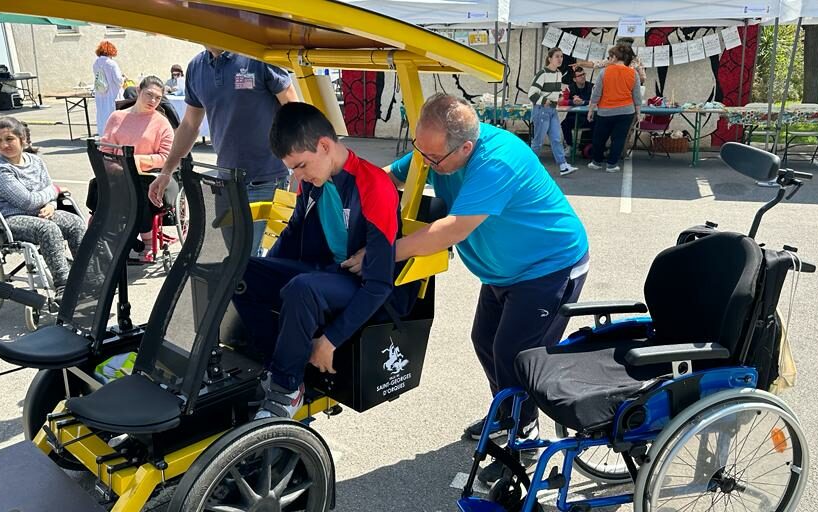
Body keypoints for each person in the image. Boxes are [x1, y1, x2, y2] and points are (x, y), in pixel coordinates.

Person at [354, 93, 589, 485]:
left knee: (515, 355)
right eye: (420, 151)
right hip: (503, 273)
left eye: (433, 160)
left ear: (465, 145)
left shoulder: (496, 161)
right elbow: (392, 176)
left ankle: (524, 440)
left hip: (549, 267)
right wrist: (345, 182)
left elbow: (454, 228)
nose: (425, 164)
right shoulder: (436, 150)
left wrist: (380, 255)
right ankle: (507, 409)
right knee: (484, 340)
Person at [232, 102, 418, 419]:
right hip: (326, 273)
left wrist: (330, 341)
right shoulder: (313, 182)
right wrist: (263, 279)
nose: (297, 176)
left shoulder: (374, 187)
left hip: (365, 286)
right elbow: (293, 234)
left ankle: (286, 389)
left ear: (324, 146)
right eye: (293, 169)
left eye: (301, 166)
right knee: (240, 272)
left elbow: (379, 284)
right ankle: (276, 365)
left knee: (302, 289)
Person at [148, 46, 299, 256]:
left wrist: (301, 166)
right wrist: (166, 171)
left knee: (252, 260)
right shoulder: (196, 67)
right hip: (226, 183)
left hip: (268, 179)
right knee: (238, 259)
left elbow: (293, 110)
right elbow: (190, 125)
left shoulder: (258, 56)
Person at [0, 117, 85, 294]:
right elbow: (27, 201)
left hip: (40, 212)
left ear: (22, 139)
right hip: (9, 218)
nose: (3, 145)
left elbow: (46, 189)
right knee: (48, 230)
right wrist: (56, 190)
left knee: (75, 223)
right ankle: (64, 285)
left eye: (9, 139)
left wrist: (52, 205)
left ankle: (87, 276)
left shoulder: (35, 161)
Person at [98, 76, 175, 263]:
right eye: (149, 95)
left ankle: (147, 241)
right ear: (139, 91)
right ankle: (111, 237)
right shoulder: (117, 117)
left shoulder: (161, 122)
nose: (153, 101)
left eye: (158, 98)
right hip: (119, 172)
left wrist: (135, 161)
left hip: (150, 175)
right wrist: (118, 165)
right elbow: (105, 150)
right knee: (98, 186)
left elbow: (166, 157)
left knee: (137, 190)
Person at [587, 45, 642, 173]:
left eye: (610, 57)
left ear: (615, 57)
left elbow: (596, 93)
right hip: (626, 111)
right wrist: (638, 113)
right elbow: (637, 96)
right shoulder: (633, 73)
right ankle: (612, 164)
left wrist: (591, 109)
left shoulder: (605, 72)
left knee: (599, 138)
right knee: (618, 139)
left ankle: (597, 162)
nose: (608, 59)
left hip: (605, 111)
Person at [528, 48, 578, 177]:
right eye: (557, 56)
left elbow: (556, 90)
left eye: (561, 56)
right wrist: (545, 101)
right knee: (538, 141)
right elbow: (532, 93)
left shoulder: (558, 73)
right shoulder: (542, 73)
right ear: (550, 58)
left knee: (556, 139)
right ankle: (529, 167)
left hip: (552, 110)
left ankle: (563, 165)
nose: (560, 59)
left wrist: (560, 95)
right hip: (542, 110)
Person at [573, 36, 648, 86]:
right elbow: (595, 64)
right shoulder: (612, 59)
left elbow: (643, 78)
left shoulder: (636, 60)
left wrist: (633, 77)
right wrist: (580, 64)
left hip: (630, 90)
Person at [92, 41, 123, 137]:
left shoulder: (95, 63)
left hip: (100, 94)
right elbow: (118, 80)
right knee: (113, 115)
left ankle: (103, 135)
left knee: (102, 115)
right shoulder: (112, 64)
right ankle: (114, 136)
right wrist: (124, 79)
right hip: (112, 94)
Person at [559, 66, 594, 150]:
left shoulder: (592, 87)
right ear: (574, 79)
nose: (583, 76)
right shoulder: (569, 88)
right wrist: (572, 102)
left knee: (598, 123)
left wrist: (583, 102)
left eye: (583, 74)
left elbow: (597, 100)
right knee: (564, 124)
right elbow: (561, 101)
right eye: (580, 75)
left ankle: (592, 147)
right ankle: (569, 146)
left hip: (588, 117)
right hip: (574, 117)